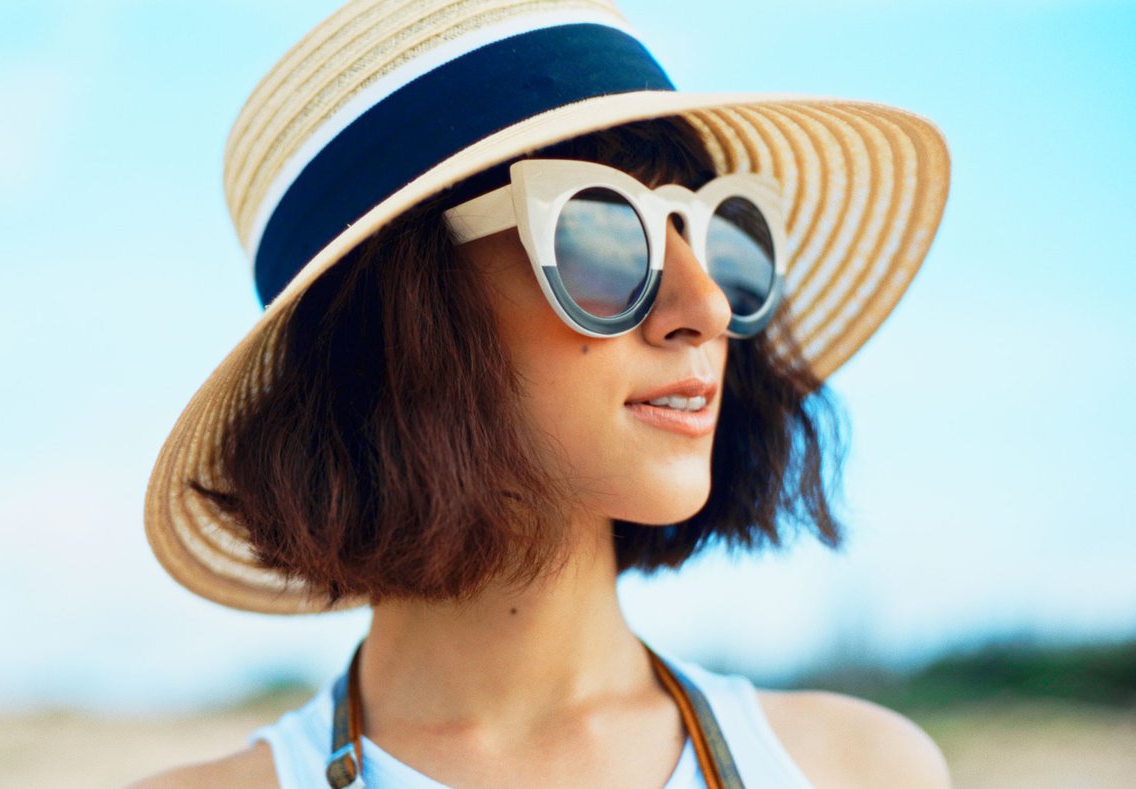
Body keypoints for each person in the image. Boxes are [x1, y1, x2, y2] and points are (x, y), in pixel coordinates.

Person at [136, 1, 952, 786]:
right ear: (395, 323)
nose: (705, 306)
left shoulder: (863, 771)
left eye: (719, 235)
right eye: (603, 234)